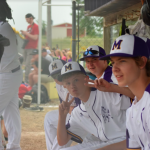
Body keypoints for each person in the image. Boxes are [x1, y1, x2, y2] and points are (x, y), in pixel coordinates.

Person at [57, 61, 131, 150]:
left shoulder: (105, 93)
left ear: (86, 78)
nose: (72, 86)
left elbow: (140, 96)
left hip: (128, 141)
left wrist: (113, 88)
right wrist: (62, 116)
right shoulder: (78, 112)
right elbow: (62, 141)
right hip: (107, 143)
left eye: (76, 80)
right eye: (68, 83)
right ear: (64, 86)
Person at [99, 34, 150, 150]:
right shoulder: (133, 109)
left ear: (142, 62)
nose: (114, 68)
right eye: (112, 62)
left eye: (122, 61)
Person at [0, 0, 23, 149]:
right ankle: (14, 146)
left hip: (7, 76)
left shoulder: (3, 27)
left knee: (11, 111)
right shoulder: (4, 26)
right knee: (11, 111)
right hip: (10, 75)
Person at [44, 60, 80, 150]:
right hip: (70, 113)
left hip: (80, 115)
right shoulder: (58, 84)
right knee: (49, 117)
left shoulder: (73, 82)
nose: (57, 78)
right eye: (54, 76)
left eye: (59, 74)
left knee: (66, 125)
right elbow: (63, 105)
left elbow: (77, 107)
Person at [21, 13, 39, 83]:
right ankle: (26, 79)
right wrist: (24, 34)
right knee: (26, 64)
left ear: (31, 18)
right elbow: (28, 36)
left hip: (31, 48)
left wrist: (26, 33)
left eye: (27, 19)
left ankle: (27, 80)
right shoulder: (28, 26)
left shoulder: (36, 26)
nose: (26, 21)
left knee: (28, 64)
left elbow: (35, 37)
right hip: (26, 47)